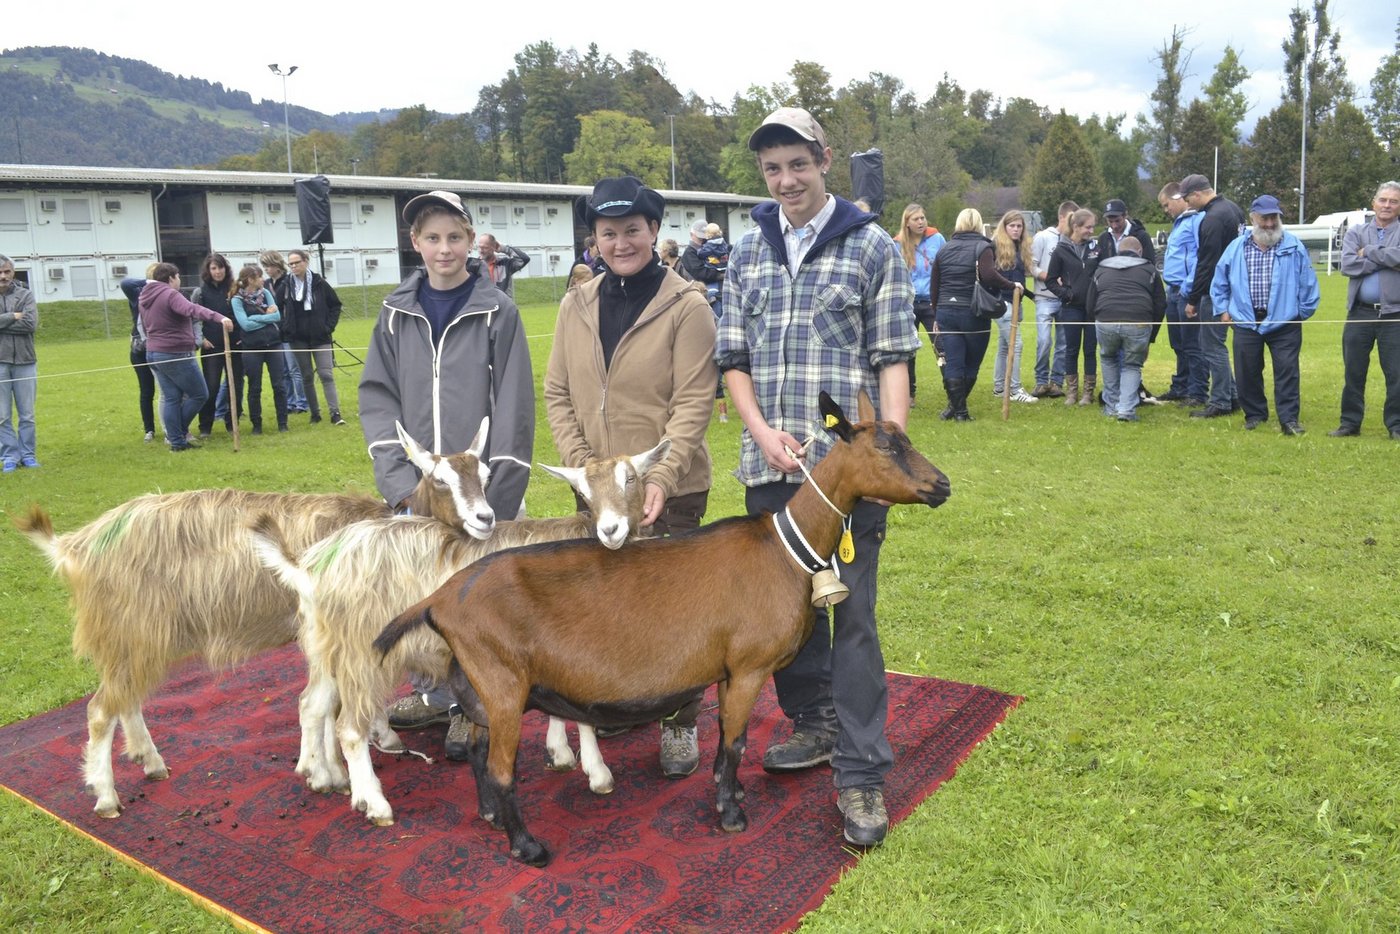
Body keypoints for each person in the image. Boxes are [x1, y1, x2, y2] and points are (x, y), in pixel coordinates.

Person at [716, 107, 919, 847]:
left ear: (824, 159)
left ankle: (863, 775)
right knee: (785, 619)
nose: (786, 180)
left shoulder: (870, 248)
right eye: (772, 169)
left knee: (854, 619)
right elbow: (732, 359)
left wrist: (885, 452)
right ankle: (816, 724)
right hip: (772, 471)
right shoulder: (746, 251)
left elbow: (894, 355)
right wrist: (760, 431)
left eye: (797, 164)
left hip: (847, 478)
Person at [546, 176, 718, 779]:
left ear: (654, 231)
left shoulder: (688, 306)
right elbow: (559, 392)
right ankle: (623, 699)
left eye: (633, 230)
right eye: (608, 232)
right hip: (596, 493)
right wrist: (588, 474)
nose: (621, 242)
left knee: (674, 609)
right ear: (594, 237)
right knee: (604, 602)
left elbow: (693, 404)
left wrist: (661, 476)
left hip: (667, 488)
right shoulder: (576, 304)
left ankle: (679, 718)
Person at [360, 190, 534, 758]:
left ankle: (469, 701)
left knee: (477, 596)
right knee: (421, 588)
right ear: (415, 243)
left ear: (471, 240)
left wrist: (497, 494)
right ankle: (434, 692)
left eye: (454, 237)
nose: (444, 249)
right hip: (421, 494)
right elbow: (378, 397)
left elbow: (513, 404)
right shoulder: (394, 312)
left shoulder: (496, 310)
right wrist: (397, 486)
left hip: (476, 491)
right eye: (432, 238)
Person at [1209, 195, 1321, 435]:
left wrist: (1300, 313)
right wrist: (1223, 309)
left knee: (1287, 372)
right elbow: (1220, 281)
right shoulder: (1236, 247)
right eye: (1265, 218)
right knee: (1247, 371)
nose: (1270, 224)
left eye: (1274, 218)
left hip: (1285, 323)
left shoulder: (1293, 246)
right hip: (1246, 322)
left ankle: (1289, 419)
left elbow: (1308, 282)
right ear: (1253, 218)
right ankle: (1255, 415)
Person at [930, 209, 1020, 421]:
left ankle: (955, 409)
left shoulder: (944, 249)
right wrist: (1011, 284)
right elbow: (988, 275)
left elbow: (935, 285)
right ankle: (959, 411)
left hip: (945, 310)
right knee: (971, 363)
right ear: (979, 224)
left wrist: (936, 314)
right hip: (972, 312)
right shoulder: (983, 247)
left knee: (953, 362)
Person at [137, 263, 234, 452]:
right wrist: (219, 317)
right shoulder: (170, 294)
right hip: (175, 353)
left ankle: (177, 443)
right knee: (199, 394)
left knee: (172, 397)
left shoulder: (145, 295)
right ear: (171, 278)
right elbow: (192, 309)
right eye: (178, 276)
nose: (179, 280)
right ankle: (176, 434)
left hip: (154, 353)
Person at [1332, 180, 1400, 440]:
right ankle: (1349, 423)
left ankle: (1396, 425)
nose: (1387, 205)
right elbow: (1347, 265)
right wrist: (1388, 259)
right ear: (1374, 203)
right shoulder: (1356, 231)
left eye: (1393, 201)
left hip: (1395, 315)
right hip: (1360, 313)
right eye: (1383, 200)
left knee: (1396, 373)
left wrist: (1370, 252)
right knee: (1354, 371)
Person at [1180, 173, 1246, 419]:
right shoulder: (1233, 210)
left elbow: (1206, 264)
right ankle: (1232, 395)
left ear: (1197, 194)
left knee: (1211, 346)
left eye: (1188, 199)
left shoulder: (1212, 219)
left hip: (1215, 291)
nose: (1187, 204)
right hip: (1235, 287)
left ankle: (1220, 401)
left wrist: (1193, 298)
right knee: (1218, 345)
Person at [1086, 236, 1166, 421]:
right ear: (1139, 252)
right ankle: (1126, 410)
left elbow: (1090, 303)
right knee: (1132, 365)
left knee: (1108, 359)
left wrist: (1097, 320)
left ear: (1117, 251)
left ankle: (1112, 407)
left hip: (1106, 320)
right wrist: (1151, 335)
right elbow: (1160, 304)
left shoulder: (1101, 269)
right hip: (1138, 322)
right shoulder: (1149, 269)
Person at [276, 249, 344, 426]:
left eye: (297, 262)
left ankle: (335, 413)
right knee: (306, 375)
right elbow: (276, 309)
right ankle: (315, 413)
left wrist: (328, 326)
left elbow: (335, 305)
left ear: (306, 261)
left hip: (321, 337)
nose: (294, 266)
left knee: (325, 374)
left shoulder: (320, 283)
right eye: (290, 264)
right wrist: (286, 327)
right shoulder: (285, 285)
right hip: (297, 338)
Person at [1045, 208, 1101, 406]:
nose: (1091, 230)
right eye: (1088, 227)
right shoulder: (1061, 250)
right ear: (1076, 227)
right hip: (1071, 307)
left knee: (1090, 349)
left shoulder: (1096, 248)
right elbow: (1050, 280)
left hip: (1093, 307)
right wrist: (1067, 294)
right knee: (1071, 349)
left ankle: (1088, 392)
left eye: (1093, 226)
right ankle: (1071, 391)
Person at [1157, 182, 1206, 404]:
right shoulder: (1179, 224)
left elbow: (1200, 255)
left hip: (1186, 291)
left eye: (1166, 205)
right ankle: (1181, 386)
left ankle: (1197, 392)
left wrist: (1189, 286)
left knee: (1193, 345)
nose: (1166, 210)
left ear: (1178, 198)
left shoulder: (1196, 221)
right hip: (1173, 291)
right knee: (1178, 343)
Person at [893, 203, 945, 407]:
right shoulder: (896, 244)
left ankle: (952, 391)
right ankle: (909, 394)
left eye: (923, 217)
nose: (921, 222)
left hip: (933, 303)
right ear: (907, 223)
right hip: (908, 304)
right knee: (908, 351)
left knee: (941, 346)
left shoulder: (937, 239)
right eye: (916, 219)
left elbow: (945, 265)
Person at [230, 264, 290, 435]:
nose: (263, 280)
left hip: (273, 344)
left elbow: (277, 316)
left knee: (279, 385)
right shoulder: (237, 300)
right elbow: (245, 325)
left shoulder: (267, 293)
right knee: (254, 387)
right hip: (251, 348)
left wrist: (258, 317)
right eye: (260, 277)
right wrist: (265, 316)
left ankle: (283, 422)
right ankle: (257, 424)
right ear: (251, 280)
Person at [190, 253, 243, 438]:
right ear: (208, 270)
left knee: (235, 385)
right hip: (211, 346)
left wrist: (241, 336)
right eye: (214, 268)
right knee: (210, 387)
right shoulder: (200, 292)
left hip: (235, 344)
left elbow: (243, 313)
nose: (218, 271)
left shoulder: (235, 289)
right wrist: (201, 339)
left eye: (220, 267)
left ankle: (232, 422)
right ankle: (205, 426)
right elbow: (194, 318)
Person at [990, 211, 1039, 404]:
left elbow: (1017, 280)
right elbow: (994, 277)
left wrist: (1031, 296)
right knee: (1015, 344)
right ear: (1005, 227)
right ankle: (1015, 389)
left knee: (1004, 346)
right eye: (1012, 226)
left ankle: (1000, 387)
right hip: (1003, 303)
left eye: (1019, 226)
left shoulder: (1020, 247)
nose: (1016, 229)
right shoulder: (995, 246)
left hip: (1016, 301)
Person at [1030, 201, 1077, 398]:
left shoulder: (1075, 241)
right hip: (1044, 297)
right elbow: (1031, 267)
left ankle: (1056, 382)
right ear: (1062, 217)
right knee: (1044, 340)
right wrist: (1050, 277)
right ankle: (1041, 381)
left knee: (1063, 343)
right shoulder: (1042, 237)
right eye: (1071, 220)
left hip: (1066, 300)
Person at [0, 255, 39, 472]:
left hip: (25, 360)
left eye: (7, 271)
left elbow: (30, 324)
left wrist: (4, 321)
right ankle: (9, 457)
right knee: (2, 415)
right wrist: (11, 316)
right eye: (0, 273)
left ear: (12, 272)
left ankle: (28, 455)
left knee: (27, 414)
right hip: (0, 362)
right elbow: (19, 320)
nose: (3, 276)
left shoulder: (25, 294)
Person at [260, 250, 309, 415]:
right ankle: (289, 402)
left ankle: (302, 403)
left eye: (268, 265)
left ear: (276, 264)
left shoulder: (288, 280)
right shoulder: (265, 284)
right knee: (284, 371)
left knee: (295, 369)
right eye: (264, 266)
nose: (266, 269)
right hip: (273, 332)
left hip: (288, 330)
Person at [120, 264, 159, 443]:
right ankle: (149, 429)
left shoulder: (168, 295)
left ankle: (172, 429)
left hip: (161, 347)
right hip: (140, 349)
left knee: (169, 391)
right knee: (146, 390)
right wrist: (149, 281)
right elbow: (126, 283)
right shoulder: (138, 295)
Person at [1096, 198, 1156, 267]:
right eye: (1110, 221)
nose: (1114, 226)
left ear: (1125, 215)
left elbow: (1150, 265)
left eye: (1117, 221)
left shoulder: (1141, 236)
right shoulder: (1103, 238)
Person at [681, 218, 724, 301]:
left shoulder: (710, 247)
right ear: (691, 234)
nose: (702, 240)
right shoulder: (689, 253)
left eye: (704, 238)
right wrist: (720, 274)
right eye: (699, 238)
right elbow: (700, 273)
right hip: (698, 294)